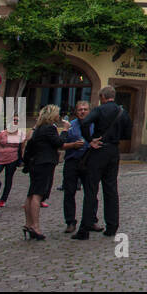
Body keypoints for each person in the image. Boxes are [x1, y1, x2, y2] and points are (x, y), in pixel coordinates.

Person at [73, 85, 133, 240]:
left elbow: (85, 122)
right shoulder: (122, 112)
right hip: (113, 151)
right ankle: (112, 226)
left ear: (103, 97)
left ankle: (84, 229)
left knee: (91, 189)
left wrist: (90, 139)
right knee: (111, 188)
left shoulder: (100, 110)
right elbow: (128, 132)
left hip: (99, 150)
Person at [22, 105, 70, 241]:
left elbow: (30, 146)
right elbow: (59, 143)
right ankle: (35, 226)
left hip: (35, 163)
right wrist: (65, 130)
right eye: (57, 113)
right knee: (37, 195)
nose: (59, 116)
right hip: (44, 163)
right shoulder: (49, 128)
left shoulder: (37, 129)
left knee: (31, 194)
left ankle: (28, 223)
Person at [61, 100, 91, 233]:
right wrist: (72, 145)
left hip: (89, 161)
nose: (82, 111)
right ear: (76, 111)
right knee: (69, 192)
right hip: (72, 161)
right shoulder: (70, 126)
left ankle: (91, 221)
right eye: (80, 109)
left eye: (85, 109)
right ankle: (70, 221)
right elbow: (61, 144)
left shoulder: (94, 125)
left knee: (91, 193)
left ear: (89, 111)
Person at [0, 115, 25, 208]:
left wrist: (22, 160)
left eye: (17, 121)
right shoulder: (2, 133)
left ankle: (3, 200)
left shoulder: (21, 134)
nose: (15, 122)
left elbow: (22, 148)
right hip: (0, 158)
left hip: (13, 159)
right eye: (13, 120)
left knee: (8, 179)